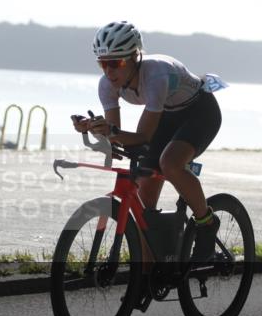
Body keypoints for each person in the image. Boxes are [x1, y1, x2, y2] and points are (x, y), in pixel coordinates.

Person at [72, 20, 224, 262]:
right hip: (167, 114)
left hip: (200, 112)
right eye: (103, 64)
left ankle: (207, 222)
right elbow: (115, 137)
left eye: (116, 63)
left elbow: (142, 137)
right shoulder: (107, 85)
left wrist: (110, 131)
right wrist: (94, 129)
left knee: (170, 164)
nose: (109, 71)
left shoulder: (156, 75)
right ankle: (147, 271)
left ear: (135, 56)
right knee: (144, 200)